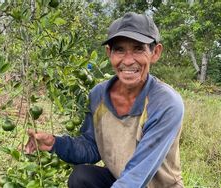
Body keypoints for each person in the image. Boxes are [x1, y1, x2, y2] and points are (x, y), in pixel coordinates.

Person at [25, 12, 184, 188]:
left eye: (139, 48)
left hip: (153, 185)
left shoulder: (165, 102)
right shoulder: (98, 95)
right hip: (119, 179)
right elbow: (91, 147)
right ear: (109, 53)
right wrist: (55, 143)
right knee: (82, 177)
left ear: (155, 53)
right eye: (119, 49)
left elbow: (136, 176)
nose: (128, 60)